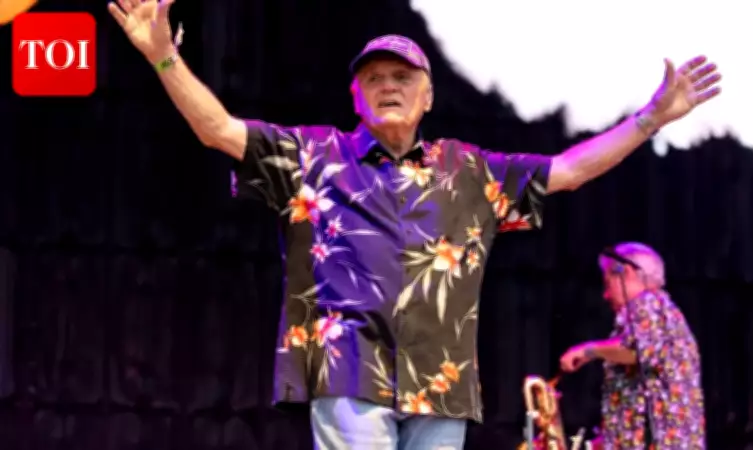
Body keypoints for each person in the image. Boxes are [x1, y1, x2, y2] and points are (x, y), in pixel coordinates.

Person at [108, 1, 721, 448]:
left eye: (403, 78)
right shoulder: (313, 156)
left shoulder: (469, 171)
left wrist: (649, 119)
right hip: (350, 370)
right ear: (355, 98)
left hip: (442, 383)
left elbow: (569, 170)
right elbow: (217, 130)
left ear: (428, 97)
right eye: (374, 80)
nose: (388, 87)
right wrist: (164, 57)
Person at [559, 243, 705, 449]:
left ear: (625, 272)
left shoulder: (648, 304)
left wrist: (589, 350)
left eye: (607, 283)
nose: (605, 295)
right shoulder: (664, 313)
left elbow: (636, 350)